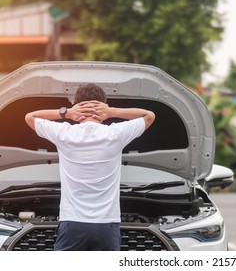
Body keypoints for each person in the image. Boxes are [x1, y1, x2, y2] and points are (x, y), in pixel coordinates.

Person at [24, 83, 155, 251]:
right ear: (103, 105)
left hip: (72, 223)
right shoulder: (116, 134)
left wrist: (66, 113)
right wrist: (112, 112)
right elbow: (149, 116)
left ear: (76, 104)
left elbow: (30, 117)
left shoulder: (64, 133)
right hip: (106, 225)